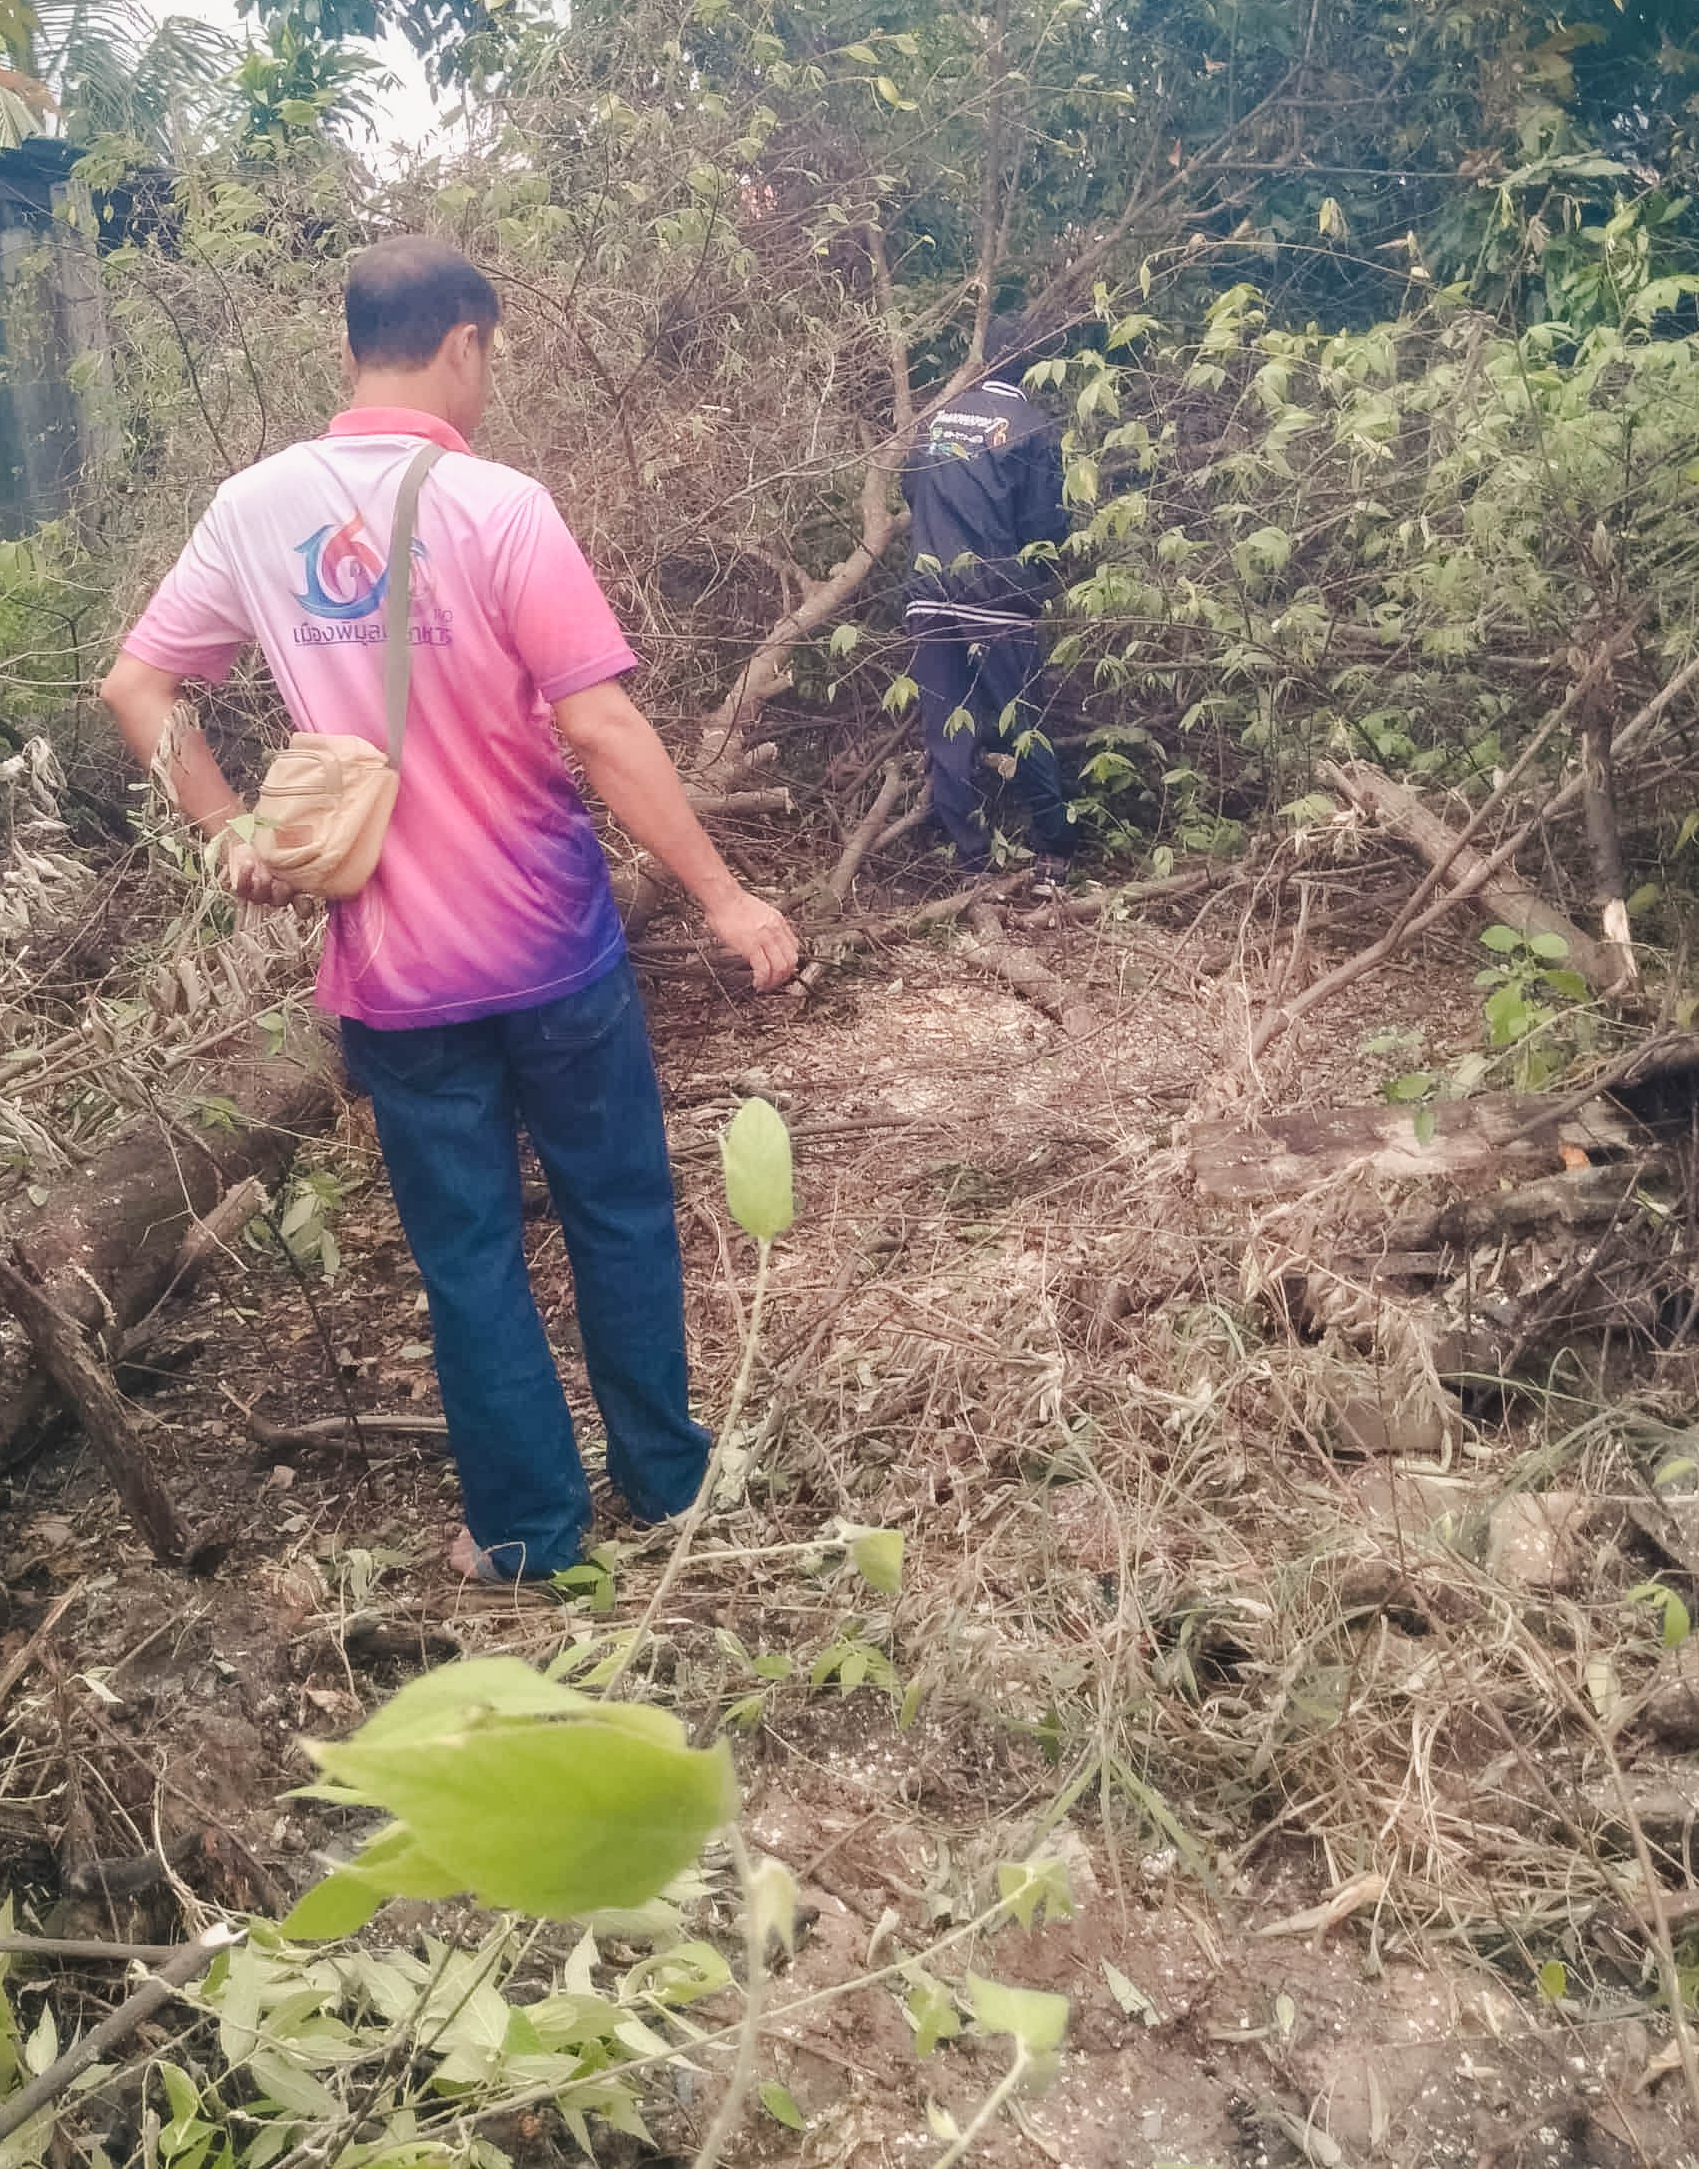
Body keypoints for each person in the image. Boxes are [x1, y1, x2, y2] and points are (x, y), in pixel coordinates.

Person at [100, 236, 798, 1585]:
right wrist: (723, 894)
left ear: (349, 346)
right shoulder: (501, 508)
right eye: (491, 355)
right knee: (617, 1206)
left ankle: (529, 1535)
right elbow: (599, 726)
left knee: (468, 1255)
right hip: (550, 946)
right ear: (466, 342)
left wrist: (230, 829)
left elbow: (138, 688)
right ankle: (667, 1480)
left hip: (396, 974)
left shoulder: (250, 509)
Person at [901, 366, 1079, 886]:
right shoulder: (1032, 427)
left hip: (929, 593)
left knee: (947, 731)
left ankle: (971, 863)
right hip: (996, 595)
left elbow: (912, 490)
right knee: (1024, 722)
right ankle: (1053, 853)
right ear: (1033, 372)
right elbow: (1045, 528)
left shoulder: (938, 420)